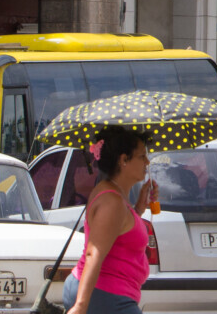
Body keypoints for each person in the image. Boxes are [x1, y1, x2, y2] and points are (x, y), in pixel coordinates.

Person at [63, 126, 157, 314]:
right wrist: (81, 306)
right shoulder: (111, 202)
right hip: (105, 296)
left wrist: (139, 208)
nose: (147, 162)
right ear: (123, 160)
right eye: (141, 156)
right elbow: (93, 253)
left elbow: (118, 234)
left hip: (110, 295)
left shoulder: (116, 195)